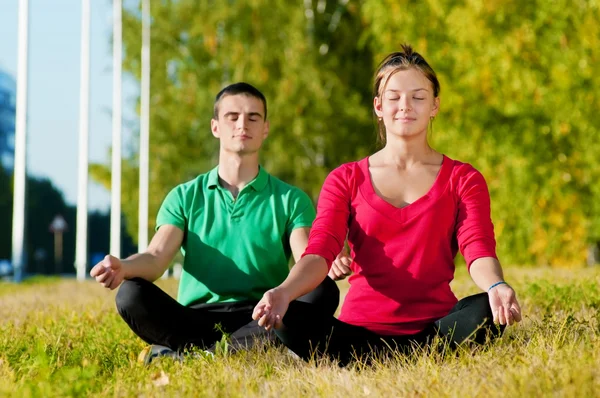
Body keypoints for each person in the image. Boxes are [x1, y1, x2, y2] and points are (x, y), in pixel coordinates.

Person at [252, 45, 522, 366]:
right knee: (291, 315)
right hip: (357, 332)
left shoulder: (463, 178)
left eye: (418, 97)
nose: (405, 106)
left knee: (486, 309)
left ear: (434, 106)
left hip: (434, 330)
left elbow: (478, 250)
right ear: (378, 106)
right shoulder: (345, 178)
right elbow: (319, 253)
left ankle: (403, 356)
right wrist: (282, 291)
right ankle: (393, 357)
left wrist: (496, 285)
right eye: (393, 97)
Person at [90, 82, 339, 363]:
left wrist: (328, 261)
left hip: (264, 314)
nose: (242, 124)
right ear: (215, 127)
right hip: (195, 321)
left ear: (265, 128)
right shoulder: (184, 196)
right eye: (232, 117)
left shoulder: (290, 199)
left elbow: (307, 257)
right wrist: (125, 267)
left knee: (322, 290)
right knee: (131, 294)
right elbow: (156, 257)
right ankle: (239, 351)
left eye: (253, 117)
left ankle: (199, 358)